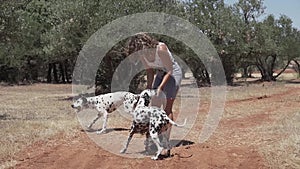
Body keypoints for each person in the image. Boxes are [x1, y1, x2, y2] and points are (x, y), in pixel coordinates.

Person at [127, 33, 182, 156]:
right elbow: (150, 71)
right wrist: (148, 88)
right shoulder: (142, 54)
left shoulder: (160, 49)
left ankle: (166, 143)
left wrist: (160, 88)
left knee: (167, 107)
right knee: (155, 107)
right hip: (160, 73)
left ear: (144, 45)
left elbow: (170, 70)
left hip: (172, 73)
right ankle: (155, 138)